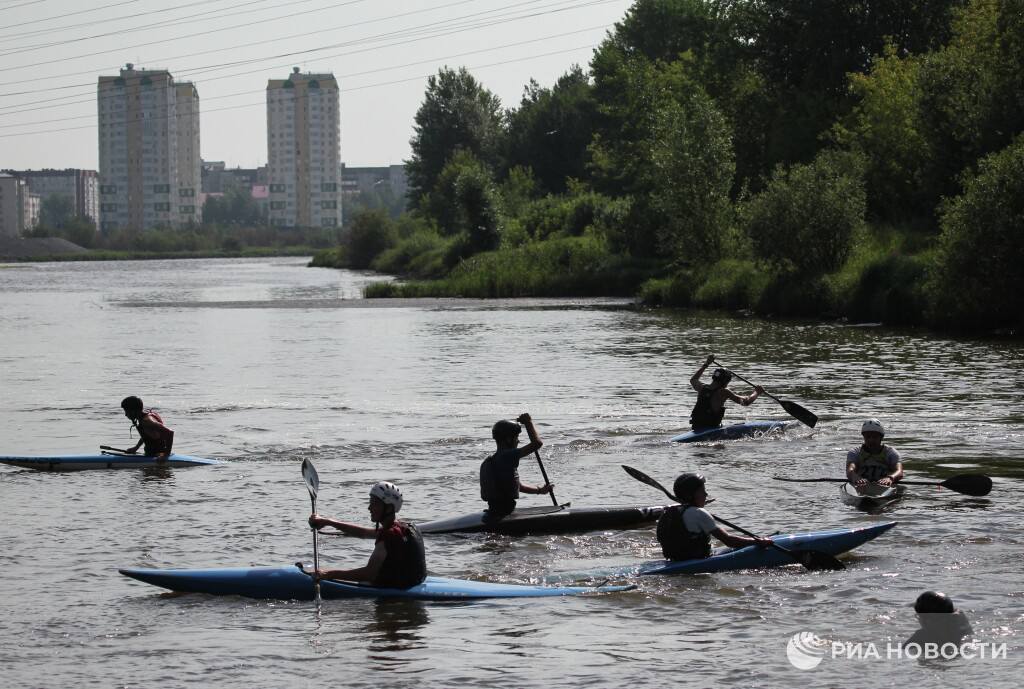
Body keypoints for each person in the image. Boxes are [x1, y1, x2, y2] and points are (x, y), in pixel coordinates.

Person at [308, 481, 427, 589]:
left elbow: (369, 574)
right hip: (414, 582)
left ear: (388, 507)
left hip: (395, 588)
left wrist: (329, 575)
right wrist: (328, 521)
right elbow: (363, 533)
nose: (369, 507)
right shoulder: (405, 528)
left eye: (374, 503)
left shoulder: (389, 535)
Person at [656, 472, 772, 560]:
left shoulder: (669, 512)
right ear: (690, 495)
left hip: (674, 560)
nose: (706, 494)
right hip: (697, 560)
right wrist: (757, 542)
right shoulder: (699, 513)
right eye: (702, 491)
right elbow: (729, 541)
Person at [479, 412, 554, 520]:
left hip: (494, 511)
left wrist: (539, 490)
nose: (518, 440)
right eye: (517, 437)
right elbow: (537, 444)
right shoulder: (507, 456)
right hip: (504, 512)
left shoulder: (491, 460)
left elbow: (517, 486)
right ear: (508, 439)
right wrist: (528, 422)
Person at [689, 355, 764, 430]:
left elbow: (693, 379)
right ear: (725, 381)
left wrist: (706, 364)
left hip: (696, 426)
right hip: (711, 427)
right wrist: (756, 392)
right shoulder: (723, 392)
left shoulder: (702, 387)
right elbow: (746, 402)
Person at [904, 591, 973, 649]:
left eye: (918, 616)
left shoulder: (921, 636)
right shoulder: (960, 623)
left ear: (926, 620)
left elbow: (903, 650)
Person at [846, 419, 903, 488]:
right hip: (861, 486)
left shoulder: (891, 453)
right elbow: (850, 470)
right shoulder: (855, 452)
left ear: (881, 437)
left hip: (884, 486)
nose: (871, 440)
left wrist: (890, 478)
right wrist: (854, 477)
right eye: (868, 437)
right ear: (864, 437)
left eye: (875, 437)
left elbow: (899, 471)